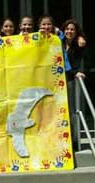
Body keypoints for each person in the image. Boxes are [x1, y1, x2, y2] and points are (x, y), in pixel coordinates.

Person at [60, 19, 88, 151]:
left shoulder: (79, 45)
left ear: (76, 32)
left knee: (70, 110)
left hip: (70, 79)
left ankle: (72, 141)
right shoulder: (59, 40)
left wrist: (77, 72)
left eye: (72, 29)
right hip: (56, 79)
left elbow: (78, 62)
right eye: (67, 29)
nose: (69, 31)